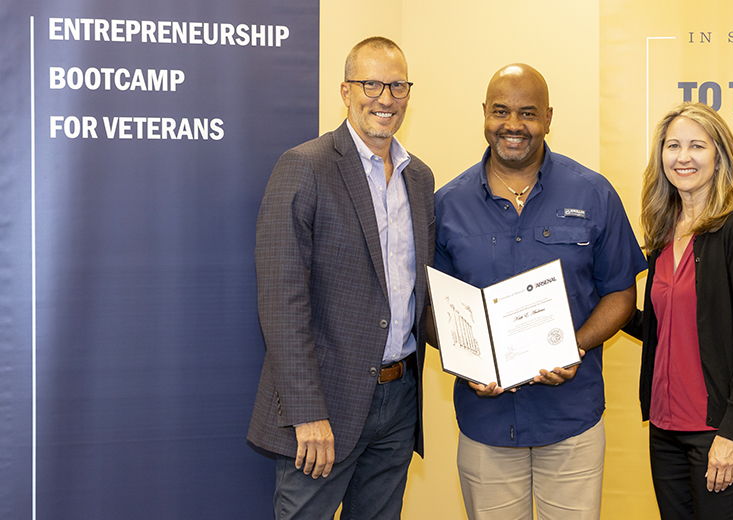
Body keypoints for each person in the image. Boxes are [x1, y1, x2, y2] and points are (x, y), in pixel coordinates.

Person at [433, 63, 646, 519]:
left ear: (548, 118)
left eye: (528, 113)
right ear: (484, 115)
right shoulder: (447, 204)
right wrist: (466, 360)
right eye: (500, 112)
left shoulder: (594, 193)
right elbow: (434, 307)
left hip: (570, 419)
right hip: (485, 421)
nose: (513, 125)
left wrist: (575, 345)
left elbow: (621, 295)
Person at [247, 37, 434, 520]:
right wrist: (307, 412)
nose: (385, 98)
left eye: (397, 85)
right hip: (325, 404)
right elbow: (281, 302)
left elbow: (421, 294)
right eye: (371, 83)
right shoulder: (304, 167)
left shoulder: (420, 179)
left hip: (399, 399)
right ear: (346, 91)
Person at [624, 102, 733, 520]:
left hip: (718, 432)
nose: (683, 157)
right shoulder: (663, 230)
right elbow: (665, 328)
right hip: (664, 429)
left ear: (720, 155)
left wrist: (731, 435)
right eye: (673, 146)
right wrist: (593, 312)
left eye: (697, 146)